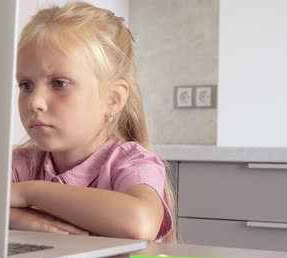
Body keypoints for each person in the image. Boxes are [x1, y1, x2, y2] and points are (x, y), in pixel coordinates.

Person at [10, 2, 176, 242]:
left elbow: (140, 223)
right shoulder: (20, 164)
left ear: (113, 99)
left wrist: (31, 193)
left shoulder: (130, 163)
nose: (34, 101)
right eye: (26, 85)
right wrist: (21, 220)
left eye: (59, 83)